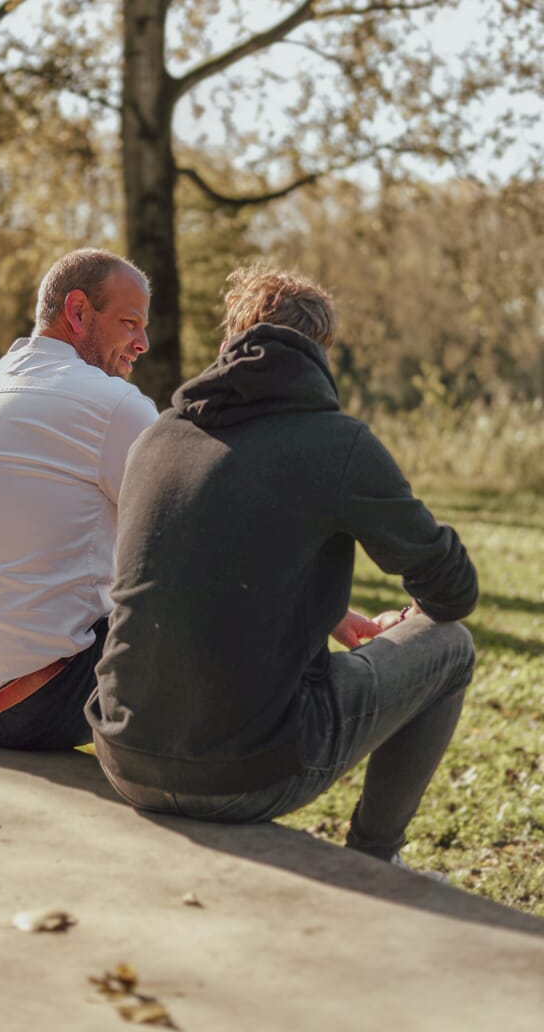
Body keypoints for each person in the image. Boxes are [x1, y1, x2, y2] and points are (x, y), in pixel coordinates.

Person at [87, 265, 478, 873]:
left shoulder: (156, 438)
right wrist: (409, 622)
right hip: (242, 777)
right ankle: (377, 862)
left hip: (124, 757)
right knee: (451, 646)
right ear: (321, 355)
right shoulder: (336, 443)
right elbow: (453, 592)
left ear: (228, 348)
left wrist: (320, 609)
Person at [0, 247, 157, 750]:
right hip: (37, 707)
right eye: (130, 322)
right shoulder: (113, 405)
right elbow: (196, 524)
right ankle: (211, 781)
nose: (143, 343)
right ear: (78, 311)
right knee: (188, 582)